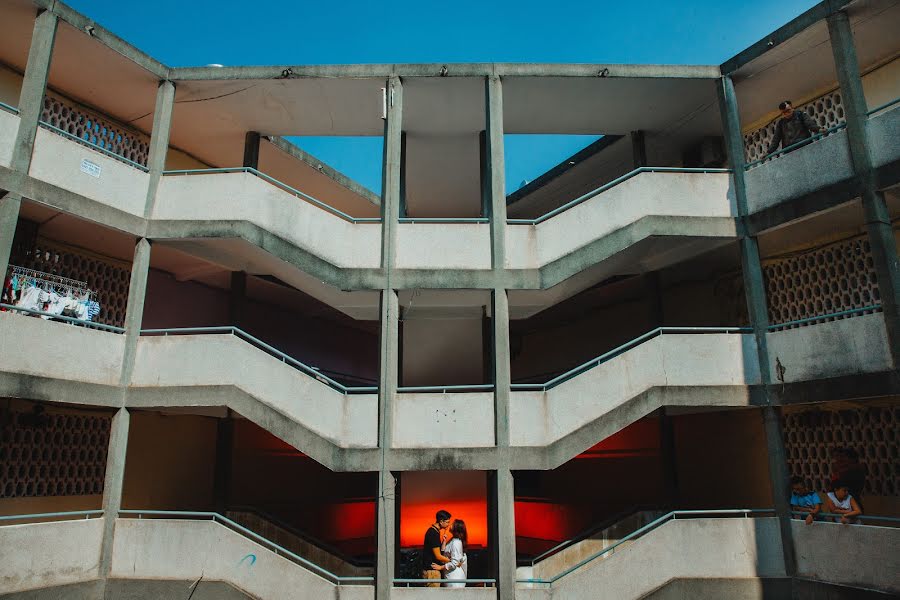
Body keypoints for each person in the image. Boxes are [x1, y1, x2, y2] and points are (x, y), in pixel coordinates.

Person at [432, 519, 468, 588]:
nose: (449, 525)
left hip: (455, 578)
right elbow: (445, 553)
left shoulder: (456, 542)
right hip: (451, 576)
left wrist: (440, 567)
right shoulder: (453, 540)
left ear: (456, 528)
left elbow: (455, 562)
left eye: (452, 524)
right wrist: (444, 542)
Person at [421, 510, 452, 587]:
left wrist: (443, 542)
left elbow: (436, 552)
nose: (448, 524)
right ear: (441, 521)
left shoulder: (435, 532)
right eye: (447, 522)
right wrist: (452, 561)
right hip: (432, 572)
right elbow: (438, 556)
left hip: (431, 571)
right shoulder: (433, 533)